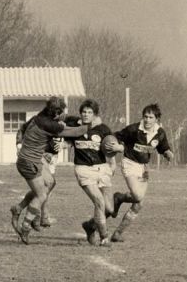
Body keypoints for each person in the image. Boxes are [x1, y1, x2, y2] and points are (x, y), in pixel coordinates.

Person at [10, 96, 93, 244]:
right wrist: (90, 124)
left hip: (32, 160)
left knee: (50, 182)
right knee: (41, 195)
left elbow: (64, 118)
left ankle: (18, 208)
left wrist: (77, 118)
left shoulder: (39, 117)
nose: (64, 115)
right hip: (28, 163)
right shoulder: (50, 125)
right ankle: (25, 226)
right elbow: (75, 132)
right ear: (55, 114)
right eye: (61, 113)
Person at [109, 103, 174, 242]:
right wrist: (117, 146)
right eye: (145, 116)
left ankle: (118, 233)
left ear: (157, 119)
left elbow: (163, 147)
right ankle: (119, 198)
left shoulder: (160, 132)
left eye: (151, 117)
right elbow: (117, 136)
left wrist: (168, 153)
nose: (147, 120)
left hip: (144, 168)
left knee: (139, 204)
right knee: (137, 196)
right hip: (129, 163)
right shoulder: (133, 129)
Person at [63, 99, 117, 246]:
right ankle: (105, 237)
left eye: (89, 112)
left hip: (102, 169)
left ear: (94, 115)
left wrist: (112, 163)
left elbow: (111, 147)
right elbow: (62, 135)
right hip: (83, 170)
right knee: (99, 202)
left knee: (109, 209)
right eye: (84, 112)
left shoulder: (103, 129)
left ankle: (90, 226)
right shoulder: (75, 127)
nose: (86, 114)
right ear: (80, 113)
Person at [16, 118, 62, 228]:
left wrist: (64, 144)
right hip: (40, 156)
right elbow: (22, 129)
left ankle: (30, 213)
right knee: (43, 188)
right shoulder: (40, 120)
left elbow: (71, 138)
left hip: (52, 158)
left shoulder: (66, 122)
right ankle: (40, 217)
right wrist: (19, 145)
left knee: (46, 188)